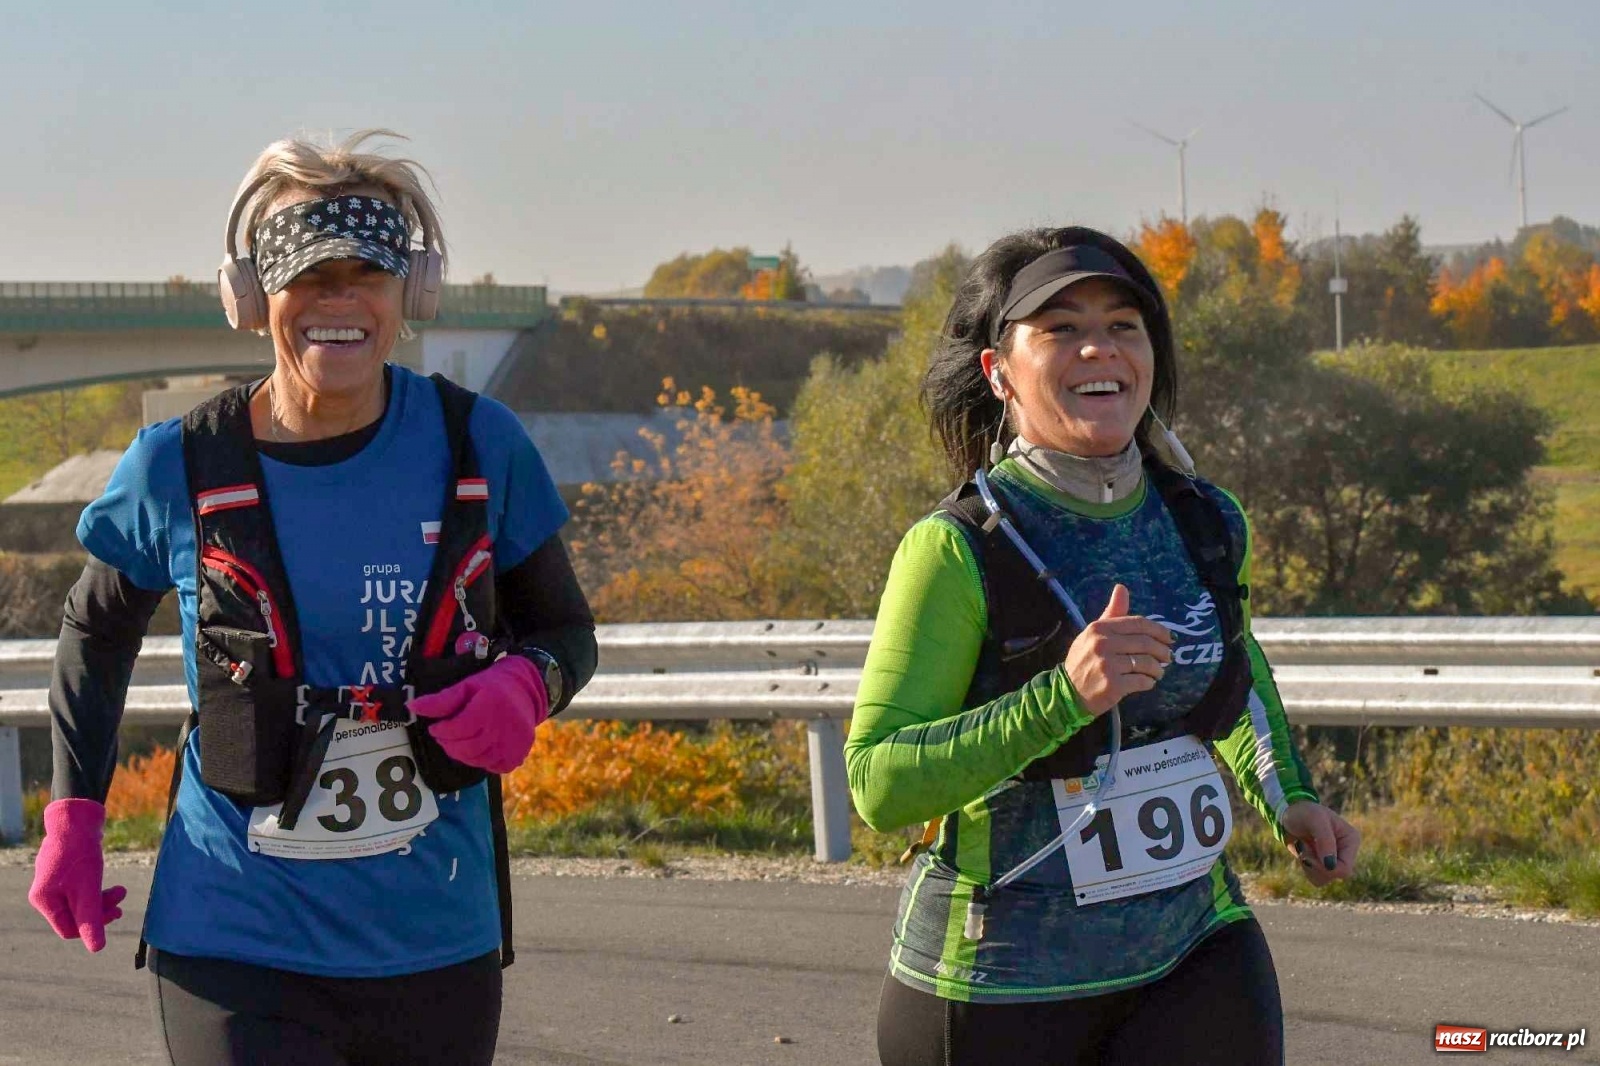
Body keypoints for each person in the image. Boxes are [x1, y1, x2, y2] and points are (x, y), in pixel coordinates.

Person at [26, 130, 597, 1065]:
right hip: (232, 935)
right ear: (256, 298)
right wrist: (73, 814)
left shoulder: (479, 446)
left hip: (435, 937)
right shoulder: (180, 463)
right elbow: (95, 627)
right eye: (309, 275)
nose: (339, 300)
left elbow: (565, 631)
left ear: (412, 293)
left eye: (367, 274)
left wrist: (529, 683)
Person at [849, 227, 1360, 1066]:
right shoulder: (955, 549)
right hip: (1000, 982)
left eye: (1124, 325)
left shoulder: (1206, 520)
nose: (1100, 347)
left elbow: (1232, 673)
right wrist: (1064, 698)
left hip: (1195, 947)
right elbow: (878, 784)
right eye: (1060, 329)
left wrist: (1289, 799)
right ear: (999, 372)